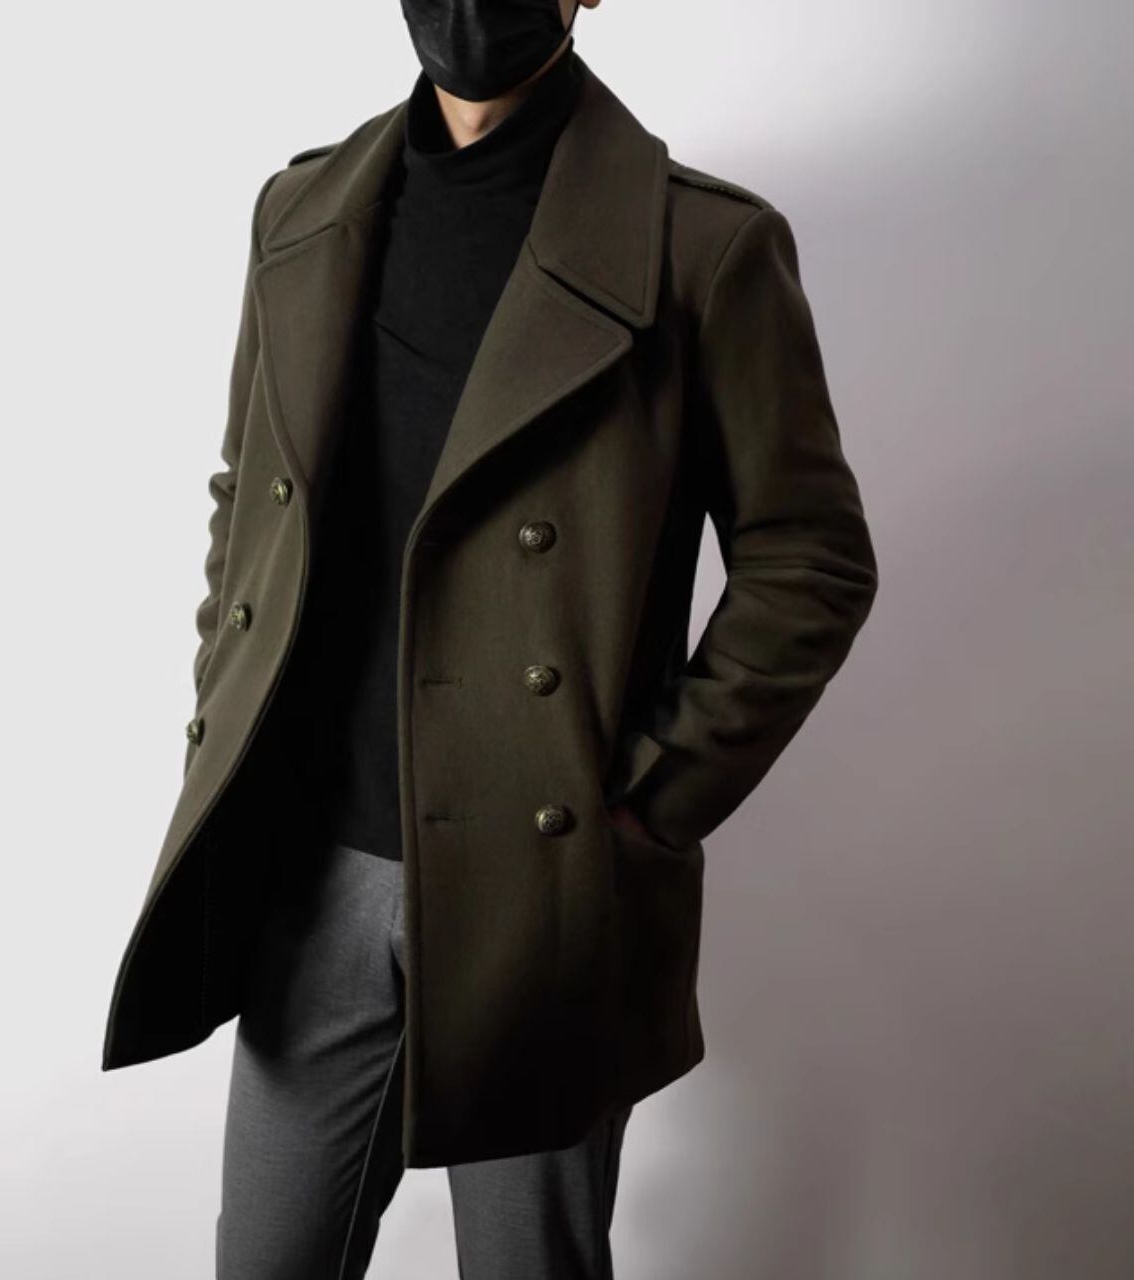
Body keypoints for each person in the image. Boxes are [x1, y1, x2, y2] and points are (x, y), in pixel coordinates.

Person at [101, 2, 880, 1277]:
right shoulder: (299, 210)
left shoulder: (699, 244)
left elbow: (810, 558)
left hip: (545, 880)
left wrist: (648, 801)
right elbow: (250, 494)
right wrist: (226, 703)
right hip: (310, 869)